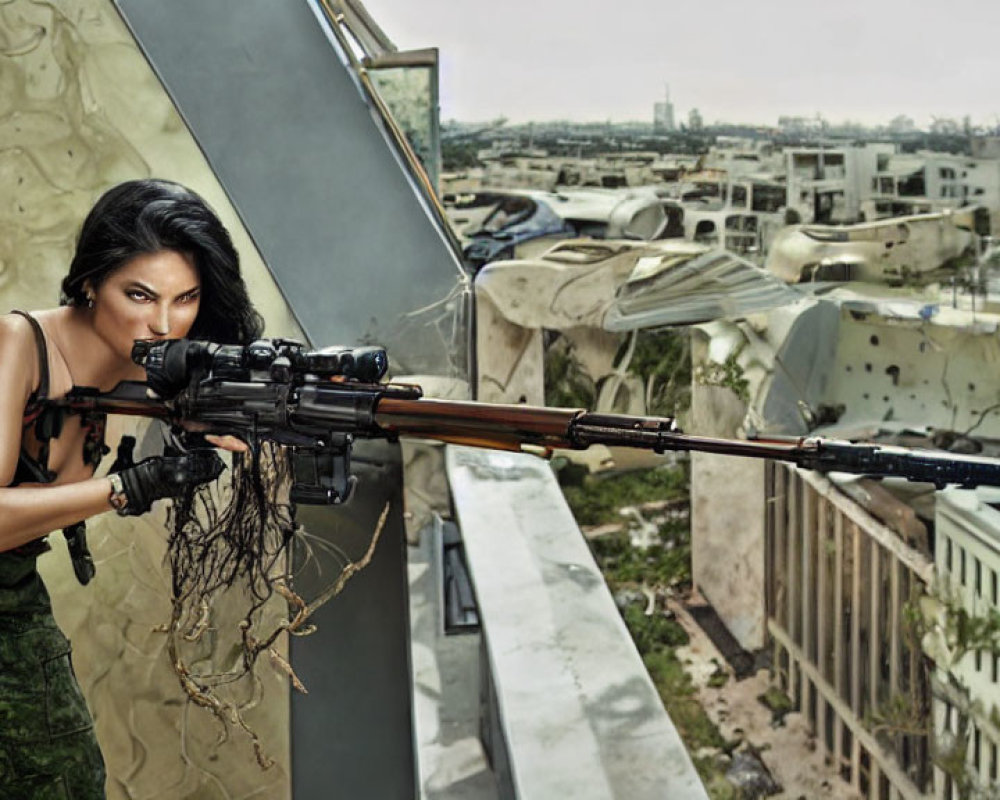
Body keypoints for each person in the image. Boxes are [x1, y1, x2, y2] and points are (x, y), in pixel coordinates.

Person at [0, 179, 263, 798]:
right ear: (90, 282)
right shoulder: (16, 344)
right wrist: (129, 486)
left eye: (187, 298)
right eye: (139, 295)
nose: (165, 323)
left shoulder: (142, 364)